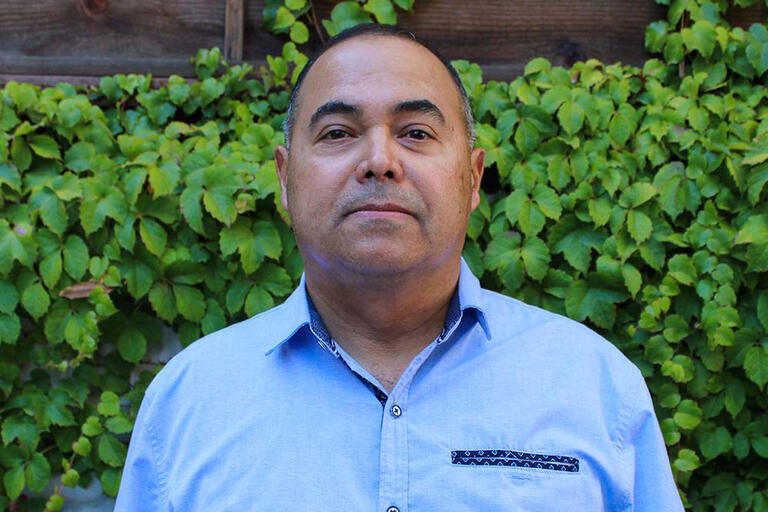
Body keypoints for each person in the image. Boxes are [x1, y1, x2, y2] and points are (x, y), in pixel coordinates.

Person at [114, 25, 683, 511]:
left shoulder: (594, 385)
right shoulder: (190, 401)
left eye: (416, 133)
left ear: (474, 177)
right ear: (285, 179)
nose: (380, 161)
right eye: (338, 133)